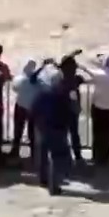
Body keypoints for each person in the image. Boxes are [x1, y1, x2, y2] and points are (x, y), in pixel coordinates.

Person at [32, 57, 76, 194]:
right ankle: (54, 186)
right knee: (57, 158)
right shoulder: (63, 95)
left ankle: (43, 180)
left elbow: (34, 109)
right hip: (57, 129)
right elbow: (71, 111)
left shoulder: (42, 94)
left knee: (43, 155)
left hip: (42, 128)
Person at [85, 54, 109, 169]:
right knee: (107, 133)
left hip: (98, 108)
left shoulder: (100, 75)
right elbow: (104, 68)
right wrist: (100, 61)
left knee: (97, 134)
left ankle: (96, 157)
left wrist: (94, 60)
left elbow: (87, 69)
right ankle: (106, 157)